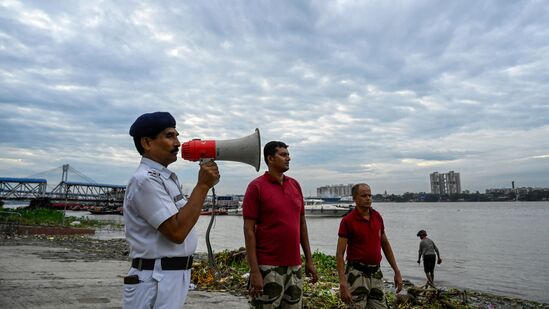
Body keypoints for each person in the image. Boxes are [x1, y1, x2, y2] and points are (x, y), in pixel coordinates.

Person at [122, 112, 220, 309]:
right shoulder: (145, 180)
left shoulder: (164, 178)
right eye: (169, 136)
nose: (178, 143)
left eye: (177, 135)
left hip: (169, 276)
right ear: (147, 143)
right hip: (155, 279)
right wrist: (202, 187)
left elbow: (182, 218)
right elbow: (177, 232)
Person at [243, 141, 319, 308]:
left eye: (288, 155)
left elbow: (301, 224)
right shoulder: (256, 187)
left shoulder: (295, 185)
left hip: (294, 266)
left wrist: (309, 261)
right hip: (268, 266)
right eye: (283, 155)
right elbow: (249, 230)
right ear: (270, 158)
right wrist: (255, 271)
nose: (288, 158)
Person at [336, 183, 403, 309]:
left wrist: (396, 271)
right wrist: (343, 282)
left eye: (370, 195)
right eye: (363, 195)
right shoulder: (348, 221)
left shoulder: (377, 216)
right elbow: (340, 253)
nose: (368, 198)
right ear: (354, 198)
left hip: (376, 273)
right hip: (357, 274)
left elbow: (385, 244)